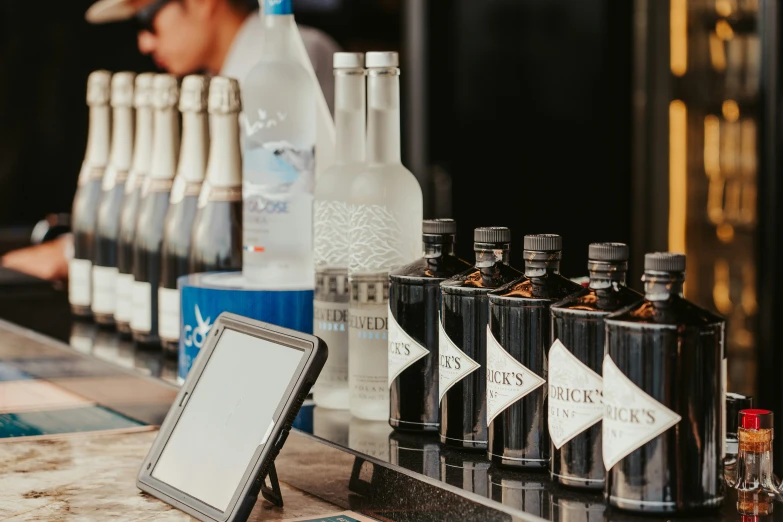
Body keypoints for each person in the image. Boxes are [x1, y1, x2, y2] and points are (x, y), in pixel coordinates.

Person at [1, 0, 339, 281]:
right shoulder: (216, 80)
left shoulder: (286, 62)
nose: (144, 43)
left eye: (147, 20)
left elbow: (265, 217)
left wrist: (73, 253)